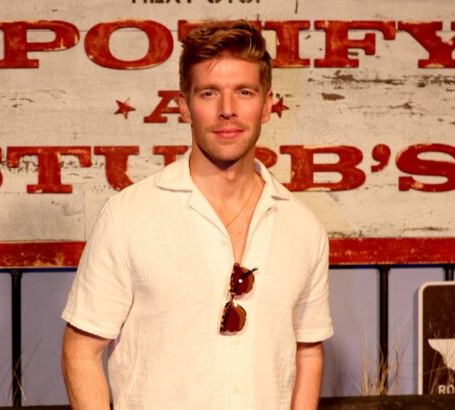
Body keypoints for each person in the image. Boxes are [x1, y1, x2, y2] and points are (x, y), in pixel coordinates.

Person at [61, 20, 333, 410]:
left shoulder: (303, 227)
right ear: (184, 106)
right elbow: (81, 351)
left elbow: (308, 350)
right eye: (209, 93)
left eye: (244, 92)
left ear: (268, 104)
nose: (227, 110)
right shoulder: (129, 216)